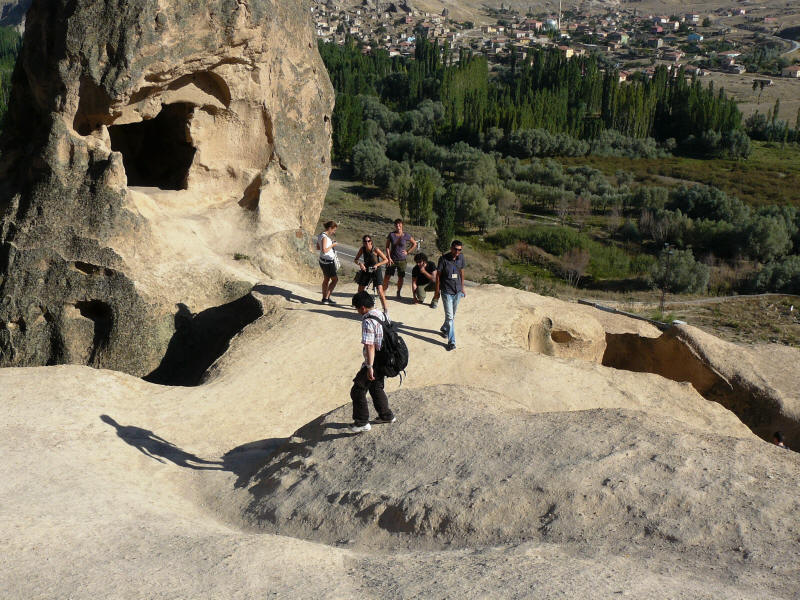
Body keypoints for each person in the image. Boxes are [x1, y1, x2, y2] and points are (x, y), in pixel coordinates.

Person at [349, 291, 397, 433]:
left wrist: (369, 367)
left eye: (357, 308)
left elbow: (370, 345)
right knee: (376, 387)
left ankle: (362, 422)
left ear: (363, 307)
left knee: (357, 390)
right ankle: (386, 415)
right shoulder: (380, 314)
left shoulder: (367, 320)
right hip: (385, 359)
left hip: (375, 361)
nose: (357, 311)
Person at [435, 240, 466, 352]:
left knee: (452, 315)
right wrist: (436, 291)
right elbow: (438, 276)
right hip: (446, 291)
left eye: (459, 249)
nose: (457, 251)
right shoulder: (443, 259)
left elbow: (462, 273)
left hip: (457, 291)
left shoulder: (461, 258)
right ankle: (451, 341)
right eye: (456, 249)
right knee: (450, 317)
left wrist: (462, 288)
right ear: (451, 248)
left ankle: (444, 328)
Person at [354, 234, 389, 313]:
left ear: (371, 242)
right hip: (366, 270)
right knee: (360, 289)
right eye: (365, 241)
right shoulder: (362, 249)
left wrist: (377, 265)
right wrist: (360, 264)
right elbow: (356, 259)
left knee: (380, 291)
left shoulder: (375, 250)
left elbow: (386, 260)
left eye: (369, 241)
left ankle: (385, 309)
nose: (367, 243)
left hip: (376, 270)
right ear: (363, 243)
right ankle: (359, 305)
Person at [383, 219, 417, 299]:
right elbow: (387, 247)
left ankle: (398, 292)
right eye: (396, 225)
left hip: (402, 260)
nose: (398, 226)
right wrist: (388, 257)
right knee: (387, 277)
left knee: (400, 277)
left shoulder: (406, 235)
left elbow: (414, 243)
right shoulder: (391, 235)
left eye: (399, 224)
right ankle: (383, 292)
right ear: (394, 226)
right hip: (392, 260)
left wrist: (407, 252)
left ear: (402, 225)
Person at [316, 221, 339, 304]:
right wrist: (333, 245)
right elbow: (324, 250)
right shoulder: (325, 237)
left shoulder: (320, 235)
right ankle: (326, 298)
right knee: (335, 280)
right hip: (328, 262)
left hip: (322, 261)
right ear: (330, 228)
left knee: (326, 279)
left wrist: (330, 243)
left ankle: (324, 298)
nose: (334, 232)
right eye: (334, 230)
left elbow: (318, 247)